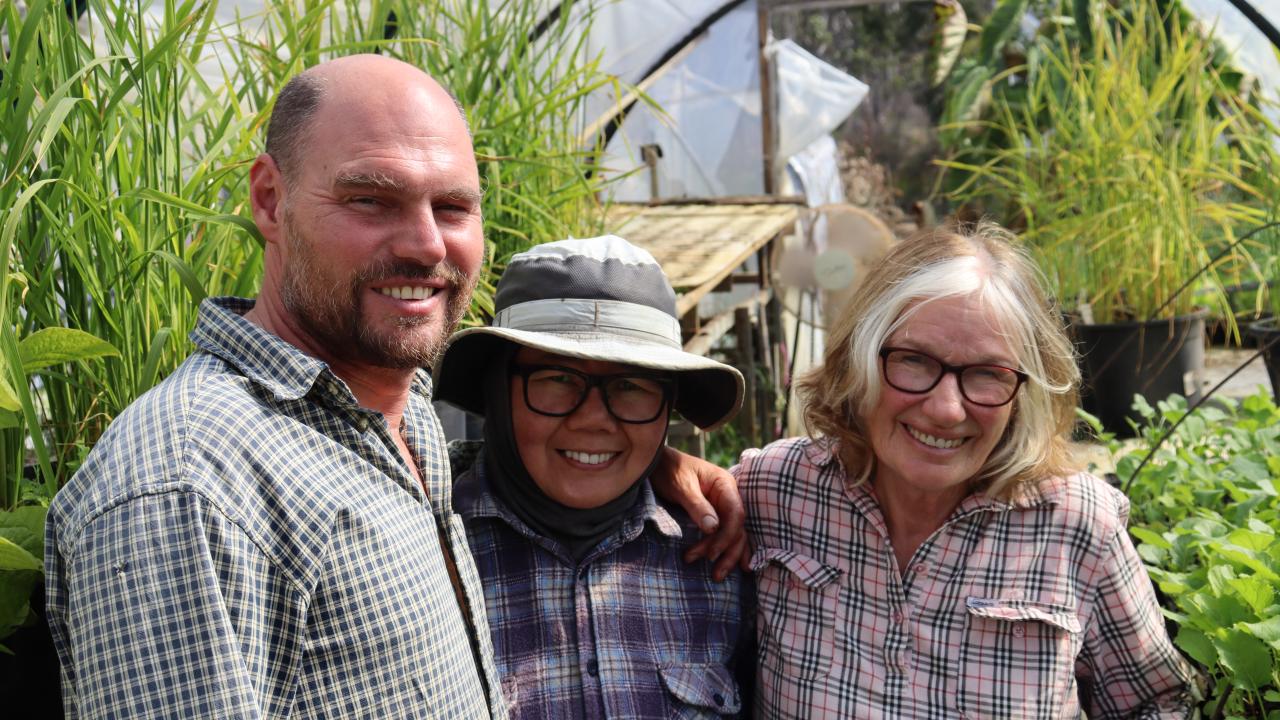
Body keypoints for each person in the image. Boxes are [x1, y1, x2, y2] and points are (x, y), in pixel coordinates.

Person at [43, 55, 742, 719]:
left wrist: (653, 462)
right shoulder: (192, 481)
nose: (426, 245)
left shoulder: (403, 425)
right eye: (370, 199)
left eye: (452, 207)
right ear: (268, 200)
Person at [735, 221, 1199, 718]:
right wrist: (673, 467)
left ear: (1023, 395)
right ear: (859, 359)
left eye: (987, 374)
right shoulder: (775, 489)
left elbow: (1156, 703)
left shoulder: (1077, 526)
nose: (947, 410)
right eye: (914, 361)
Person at [434, 236, 751, 719]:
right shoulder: (425, 542)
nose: (594, 420)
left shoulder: (723, 558)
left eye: (632, 387)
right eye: (558, 380)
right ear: (498, 390)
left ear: (667, 407)